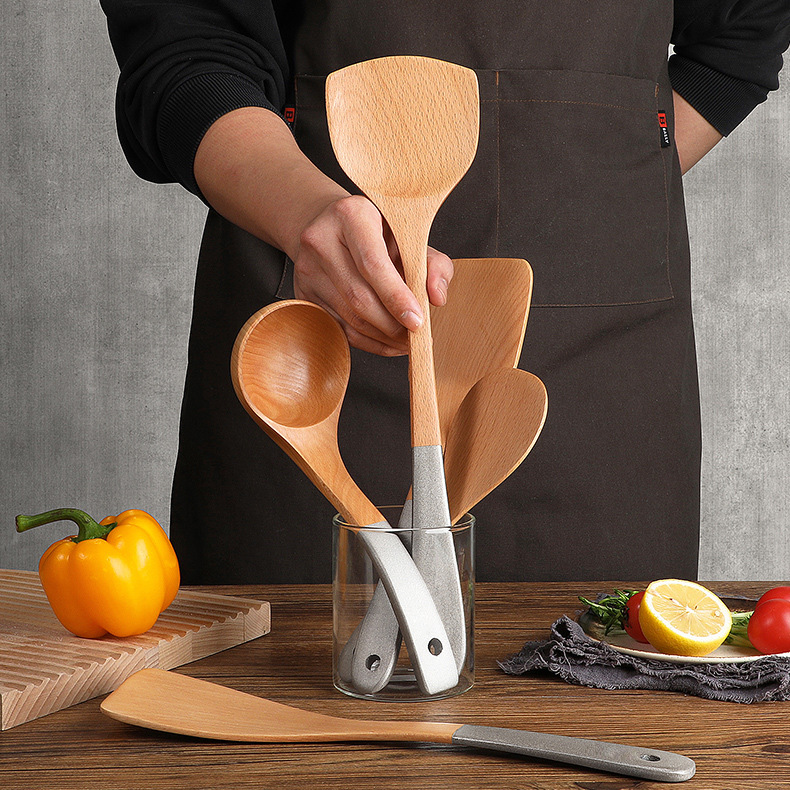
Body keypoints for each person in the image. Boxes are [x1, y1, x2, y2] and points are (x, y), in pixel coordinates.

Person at [99, 1, 789, 584]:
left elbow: (748, 22)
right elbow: (187, 40)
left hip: (606, 393)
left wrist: (609, 185)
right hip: (320, 341)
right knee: (298, 680)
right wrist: (308, 215)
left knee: (605, 677)